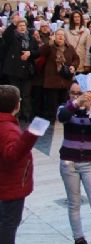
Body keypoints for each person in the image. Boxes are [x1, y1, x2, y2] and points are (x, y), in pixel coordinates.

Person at [57, 82, 91, 244]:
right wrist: (76, 103)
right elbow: (62, 118)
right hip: (69, 162)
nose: (76, 95)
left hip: (89, 163)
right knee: (74, 203)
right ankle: (78, 238)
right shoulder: (65, 107)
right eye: (73, 93)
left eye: (80, 93)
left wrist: (89, 108)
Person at [0, 85, 47, 244]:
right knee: (8, 225)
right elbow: (12, 154)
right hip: (10, 188)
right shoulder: (8, 129)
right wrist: (30, 135)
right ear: (16, 105)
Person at [1, 17, 39, 121]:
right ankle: (15, 115)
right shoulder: (12, 37)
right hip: (14, 70)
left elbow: (37, 51)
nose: (22, 27)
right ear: (16, 28)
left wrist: (30, 53)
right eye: (20, 26)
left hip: (27, 70)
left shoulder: (31, 38)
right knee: (15, 94)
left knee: (26, 94)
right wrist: (13, 23)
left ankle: (26, 115)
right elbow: (6, 35)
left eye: (24, 25)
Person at [40, 29, 80, 119]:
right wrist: (50, 42)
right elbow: (40, 51)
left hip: (65, 80)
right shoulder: (49, 47)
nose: (60, 36)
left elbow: (76, 59)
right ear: (55, 36)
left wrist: (73, 66)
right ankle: (53, 120)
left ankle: (64, 118)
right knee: (52, 103)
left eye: (62, 35)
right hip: (52, 80)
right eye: (58, 34)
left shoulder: (70, 47)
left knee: (64, 102)